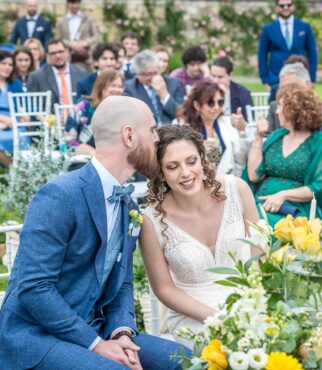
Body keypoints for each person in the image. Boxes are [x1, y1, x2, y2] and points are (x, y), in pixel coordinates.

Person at [0, 95, 190, 369]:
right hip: (36, 336)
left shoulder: (128, 203)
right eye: (151, 130)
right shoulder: (59, 195)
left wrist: (121, 332)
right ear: (129, 135)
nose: (157, 139)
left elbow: (122, 283)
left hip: (97, 329)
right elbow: (34, 288)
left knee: (187, 361)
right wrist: (97, 345)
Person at [140, 124, 259, 346]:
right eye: (173, 166)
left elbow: (260, 255)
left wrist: (255, 303)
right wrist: (219, 318)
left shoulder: (237, 190)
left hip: (248, 300)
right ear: (161, 173)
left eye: (191, 161)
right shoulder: (150, 220)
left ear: (202, 158)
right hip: (193, 315)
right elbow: (163, 289)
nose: (186, 173)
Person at [247, 83, 322, 227]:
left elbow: (321, 186)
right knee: (242, 224)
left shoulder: (319, 141)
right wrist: (258, 138)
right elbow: (254, 175)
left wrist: (283, 195)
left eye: (281, 106)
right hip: (262, 203)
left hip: (295, 209)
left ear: (295, 110)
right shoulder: (276, 136)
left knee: (263, 228)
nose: (277, 112)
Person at [176, 81, 248, 176]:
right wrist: (198, 151)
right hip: (196, 182)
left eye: (220, 102)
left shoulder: (227, 123)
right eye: (210, 103)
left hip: (226, 180)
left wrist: (243, 130)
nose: (216, 107)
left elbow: (241, 156)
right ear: (197, 105)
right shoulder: (182, 127)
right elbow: (178, 158)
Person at [258, 0, 317, 99]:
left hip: (300, 77)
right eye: (282, 5)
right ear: (276, 7)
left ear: (293, 6)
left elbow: (312, 54)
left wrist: (312, 78)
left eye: (289, 5)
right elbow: (262, 56)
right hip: (276, 80)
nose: (286, 8)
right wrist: (265, 80)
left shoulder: (304, 27)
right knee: (276, 110)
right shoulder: (268, 29)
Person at [66, 70, 124, 157]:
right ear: (101, 87)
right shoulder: (84, 107)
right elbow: (68, 139)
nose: (117, 90)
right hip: (84, 157)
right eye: (113, 85)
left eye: (120, 86)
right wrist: (85, 149)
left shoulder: (123, 110)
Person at [124, 50, 184, 126]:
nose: (153, 77)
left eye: (155, 73)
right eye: (148, 74)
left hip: (172, 132)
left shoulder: (173, 84)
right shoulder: (130, 87)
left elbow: (181, 114)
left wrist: (165, 95)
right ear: (138, 74)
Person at [28, 38, 87, 110]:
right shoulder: (37, 77)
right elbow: (32, 104)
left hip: (78, 118)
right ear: (47, 56)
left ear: (67, 52)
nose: (58, 56)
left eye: (60, 51)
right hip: (50, 119)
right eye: (53, 53)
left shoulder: (81, 73)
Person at [262, 62, 312, 134]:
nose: (286, 93)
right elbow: (267, 139)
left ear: (307, 85)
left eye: (292, 88)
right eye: (282, 89)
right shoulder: (275, 107)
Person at [0, 50, 29, 166]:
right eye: (3, 63)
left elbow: (24, 104)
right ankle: (14, 170)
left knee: (21, 138)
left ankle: (14, 171)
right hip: (3, 121)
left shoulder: (15, 84)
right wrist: (4, 120)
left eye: (10, 65)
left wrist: (24, 115)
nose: (7, 67)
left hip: (14, 123)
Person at [57, 0, 100, 71]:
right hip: (69, 56)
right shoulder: (62, 21)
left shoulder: (87, 19)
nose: (75, 6)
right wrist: (70, 43)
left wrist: (85, 43)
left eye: (77, 3)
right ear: (68, 4)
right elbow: (58, 39)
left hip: (85, 56)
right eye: (72, 3)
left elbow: (96, 37)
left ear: (80, 4)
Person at [210, 56, 253, 127]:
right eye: (213, 76)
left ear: (230, 75)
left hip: (235, 131)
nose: (215, 81)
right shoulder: (204, 92)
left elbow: (248, 120)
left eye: (220, 77)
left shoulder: (243, 93)